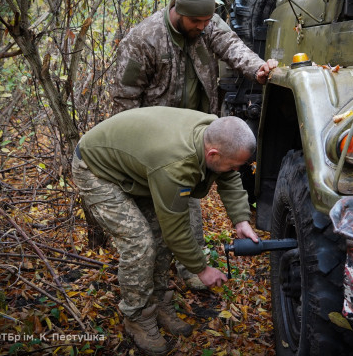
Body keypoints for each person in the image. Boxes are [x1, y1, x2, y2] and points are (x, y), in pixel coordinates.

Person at [106, 0, 278, 290]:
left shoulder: (207, 23)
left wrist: (257, 69)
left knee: (190, 211)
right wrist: (135, 154)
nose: (203, 26)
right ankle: (157, 284)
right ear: (179, 11)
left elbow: (232, 46)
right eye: (196, 21)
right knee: (161, 220)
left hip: (200, 134)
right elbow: (124, 102)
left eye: (207, 20)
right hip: (158, 143)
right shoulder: (143, 40)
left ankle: (189, 270)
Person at [71, 106, 260, 355]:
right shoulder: (176, 164)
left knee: (158, 236)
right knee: (140, 242)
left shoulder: (215, 133)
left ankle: (158, 301)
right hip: (96, 169)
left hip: (139, 168)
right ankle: (136, 316)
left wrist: (240, 220)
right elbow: (177, 230)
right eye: (233, 165)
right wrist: (201, 269)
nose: (236, 170)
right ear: (212, 154)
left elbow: (229, 176)